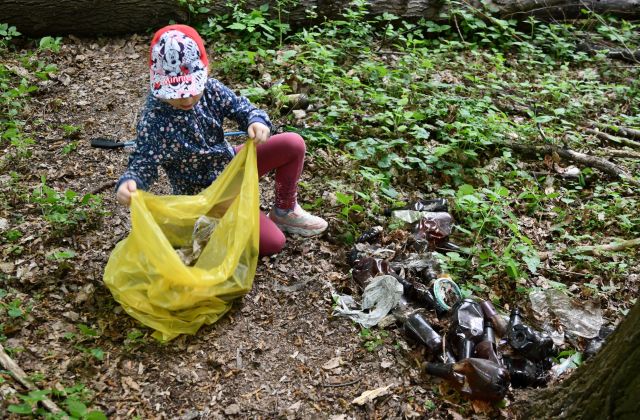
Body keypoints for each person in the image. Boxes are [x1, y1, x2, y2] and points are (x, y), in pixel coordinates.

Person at [115, 24, 327, 256]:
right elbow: (144, 161)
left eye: (191, 89)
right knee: (273, 242)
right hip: (208, 196)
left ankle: (284, 211)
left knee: (292, 144)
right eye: (176, 93)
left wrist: (256, 121)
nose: (186, 99)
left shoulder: (212, 90)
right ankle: (216, 228)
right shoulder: (154, 117)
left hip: (231, 164)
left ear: (205, 71)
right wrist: (131, 181)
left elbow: (241, 108)